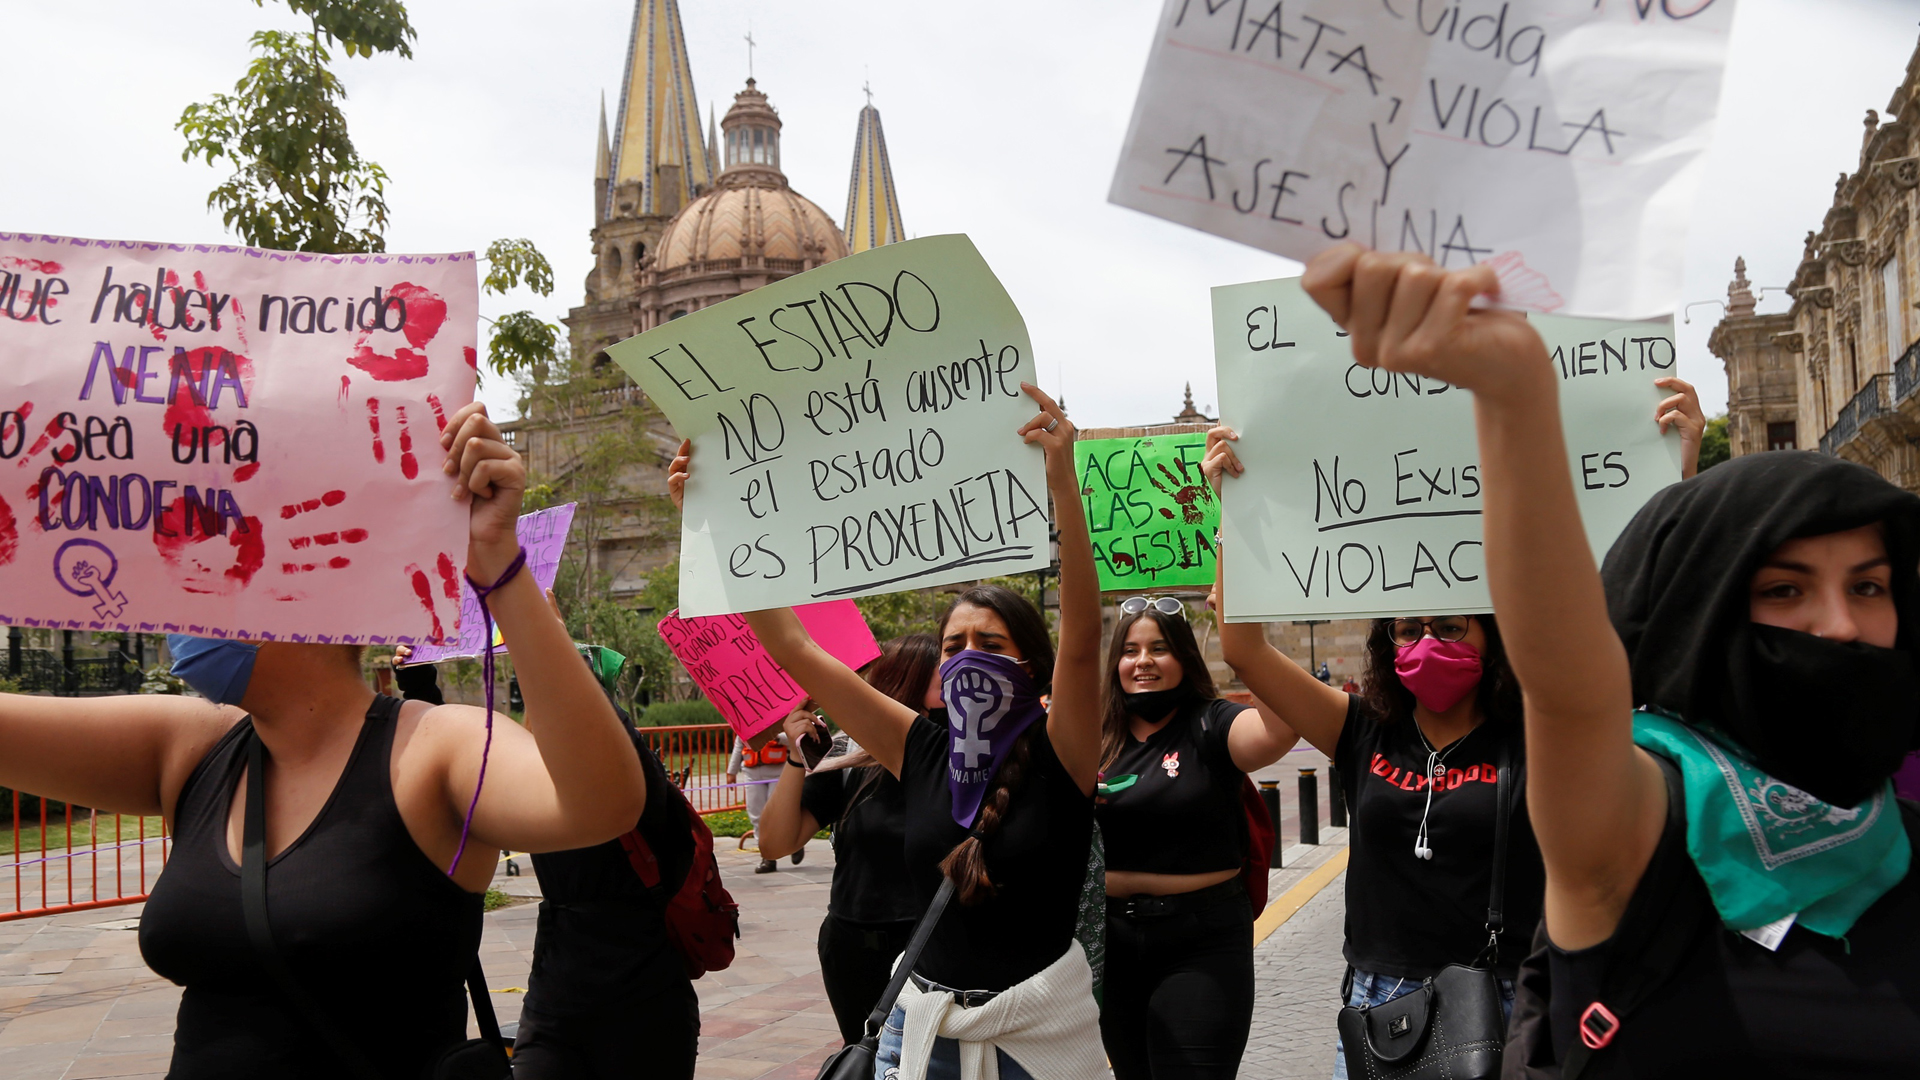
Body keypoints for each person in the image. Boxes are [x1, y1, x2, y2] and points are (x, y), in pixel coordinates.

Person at [1297, 244, 1920, 1074]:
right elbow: (1570, 682)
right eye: (1785, 591)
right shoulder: (1634, 828)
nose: (1839, 625)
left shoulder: (1902, 833)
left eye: (1870, 588)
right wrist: (1514, 395)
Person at [0, 403, 647, 1078]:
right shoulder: (190, 746)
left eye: (205, 559)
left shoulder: (433, 750)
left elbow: (599, 803)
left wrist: (500, 568)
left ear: (302, 583)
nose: (176, 596)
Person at [666, 383, 1109, 1078]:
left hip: (1035, 1044)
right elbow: (795, 647)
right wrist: (711, 524)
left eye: (990, 644)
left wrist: (1062, 481)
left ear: (1031, 663)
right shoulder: (919, 749)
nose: (968, 657)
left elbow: (1084, 635)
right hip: (921, 1036)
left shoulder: (1064, 753)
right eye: (954, 644)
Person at [1205, 429, 1544, 1080]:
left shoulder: (1531, 734)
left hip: (1500, 1005)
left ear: (1490, 637)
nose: (1427, 642)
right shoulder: (1359, 729)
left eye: (1449, 627)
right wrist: (1233, 513)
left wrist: (1673, 473)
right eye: (1409, 629)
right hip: (1381, 1007)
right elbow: (1245, 650)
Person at [1094, 596, 1300, 1079]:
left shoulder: (1213, 723)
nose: (1142, 661)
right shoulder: (1091, 732)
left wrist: (1245, 627)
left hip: (1201, 942)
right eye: (1130, 650)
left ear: (1185, 657)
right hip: (1109, 945)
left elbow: (1282, 726)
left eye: (1158, 648)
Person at [756, 634, 938, 1045]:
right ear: (906, 681)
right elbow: (774, 843)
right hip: (852, 949)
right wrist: (795, 756)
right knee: (861, 1060)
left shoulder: (954, 755)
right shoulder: (847, 756)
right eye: (939, 669)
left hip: (928, 953)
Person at [727, 730, 804, 873]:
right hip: (752, 773)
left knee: (780, 812)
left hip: (777, 772)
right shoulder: (745, 725)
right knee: (756, 814)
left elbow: (793, 740)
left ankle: (795, 842)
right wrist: (731, 772)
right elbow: (739, 745)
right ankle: (767, 857)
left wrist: (777, 737)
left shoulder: (778, 722)